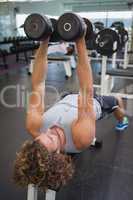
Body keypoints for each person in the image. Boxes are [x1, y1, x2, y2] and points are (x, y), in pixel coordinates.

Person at [13, 33, 128, 191]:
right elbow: (86, 90)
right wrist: (80, 40)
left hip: (66, 99)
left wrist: (44, 40)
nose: (48, 131)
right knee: (116, 102)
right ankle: (123, 121)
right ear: (59, 154)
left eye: (42, 136)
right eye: (52, 138)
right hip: (92, 102)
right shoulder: (81, 138)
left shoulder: (34, 127)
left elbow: (38, 84)